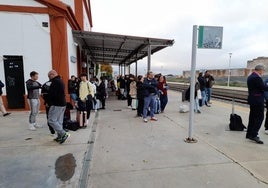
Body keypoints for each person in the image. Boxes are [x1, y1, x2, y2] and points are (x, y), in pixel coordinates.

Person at [47, 70, 70, 144]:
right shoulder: (60, 81)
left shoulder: (55, 82)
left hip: (56, 104)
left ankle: (63, 134)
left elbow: (52, 94)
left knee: (51, 120)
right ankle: (60, 136)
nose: (49, 78)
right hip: (62, 103)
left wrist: (48, 102)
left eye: (49, 76)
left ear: (52, 75)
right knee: (59, 121)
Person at [246, 64, 265, 144]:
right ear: (260, 70)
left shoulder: (250, 77)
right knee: (260, 117)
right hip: (257, 100)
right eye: (263, 70)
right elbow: (263, 88)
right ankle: (254, 135)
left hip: (253, 99)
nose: (263, 72)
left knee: (252, 117)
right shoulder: (257, 78)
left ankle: (249, 134)